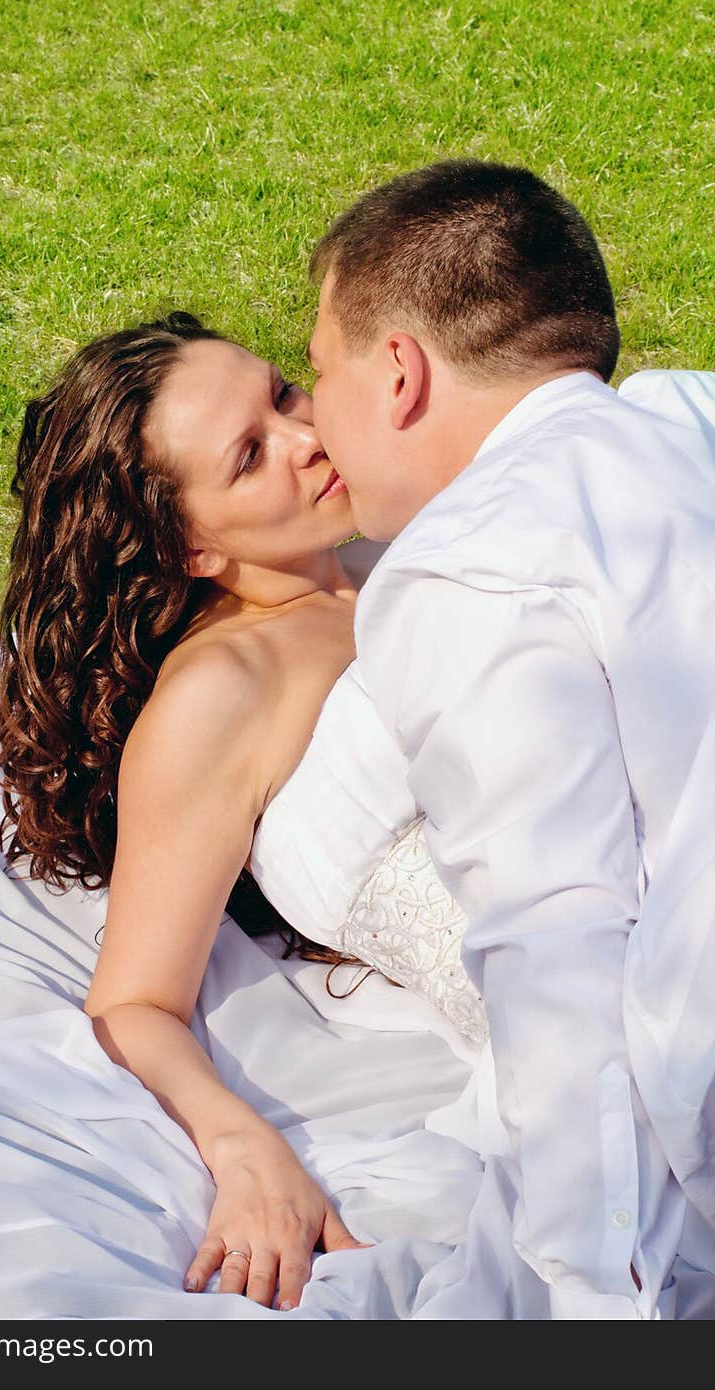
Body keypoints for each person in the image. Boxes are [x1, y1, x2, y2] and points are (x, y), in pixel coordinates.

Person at [0, 313, 468, 1315]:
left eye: (285, 393)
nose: (306, 437)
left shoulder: (388, 547)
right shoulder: (223, 690)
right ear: (188, 544)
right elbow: (133, 1001)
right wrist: (242, 1147)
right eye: (251, 456)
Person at [303, 157, 715, 1319]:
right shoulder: (684, 431)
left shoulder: (465, 567)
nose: (314, 418)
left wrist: (592, 1299)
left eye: (316, 370)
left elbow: (559, 950)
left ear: (396, 373)